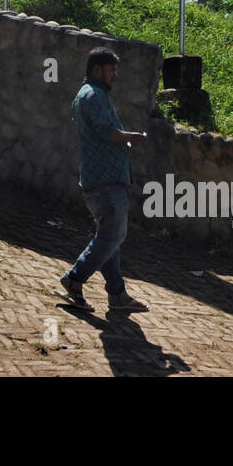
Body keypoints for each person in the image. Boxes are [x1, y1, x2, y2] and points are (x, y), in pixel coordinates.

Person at [60, 47, 150, 314]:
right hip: (105, 182)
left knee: (109, 237)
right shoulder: (94, 96)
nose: (114, 76)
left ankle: (117, 294)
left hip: (100, 180)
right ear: (97, 69)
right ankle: (75, 278)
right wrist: (133, 136)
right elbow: (110, 134)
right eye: (111, 70)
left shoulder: (88, 95)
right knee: (114, 234)